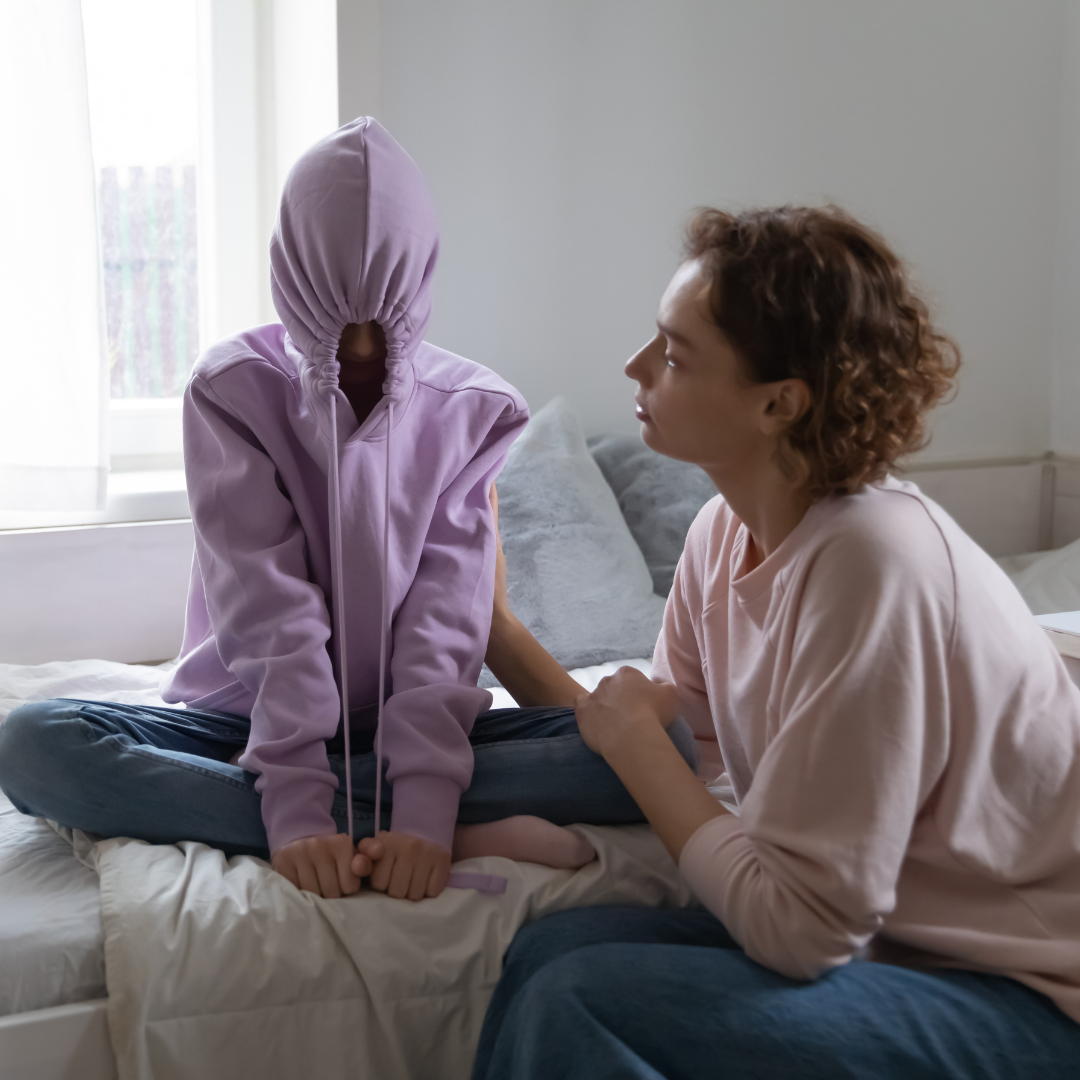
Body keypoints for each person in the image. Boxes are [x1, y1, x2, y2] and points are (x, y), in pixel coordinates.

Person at [0, 118, 699, 901]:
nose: (363, 347)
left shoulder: (477, 411)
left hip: (409, 727)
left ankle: (380, 814)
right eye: (337, 318)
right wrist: (298, 809)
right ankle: (402, 819)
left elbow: (442, 625)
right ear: (290, 278)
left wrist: (427, 813)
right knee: (32, 742)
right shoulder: (230, 392)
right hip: (245, 724)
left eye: (382, 320)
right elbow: (271, 619)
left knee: (664, 749)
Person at [472, 206, 1080, 1078]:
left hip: (1028, 996)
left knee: (584, 996)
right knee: (546, 954)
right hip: (892, 951)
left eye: (675, 355)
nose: (637, 368)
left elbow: (798, 927)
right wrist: (497, 631)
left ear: (778, 402)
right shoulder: (722, 533)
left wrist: (644, 751)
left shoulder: (876, 564)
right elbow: (683, 765)